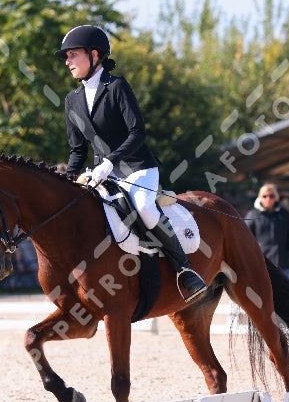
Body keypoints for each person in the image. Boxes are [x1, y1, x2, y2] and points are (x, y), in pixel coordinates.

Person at [56, 25, 207, 302]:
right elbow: (77, 149)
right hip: (101, 174)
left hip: (137, 168)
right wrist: (68, 179)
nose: (67, 62)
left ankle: (184, 269)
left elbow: (137, 133)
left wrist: (110, 162)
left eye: (73, 55)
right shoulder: (72, 100)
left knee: (144, 207)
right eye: (67, 56)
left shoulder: (116, 87)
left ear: (94, 55)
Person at [244, 183, 289, 281]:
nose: (268, 198)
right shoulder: (252, 215)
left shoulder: (285, 215)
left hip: (284, 266)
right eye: (265, 196)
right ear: (260, 197)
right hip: (260, 267)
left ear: (276, 197)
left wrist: (288, 255)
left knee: (288, 296)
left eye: (271, 196)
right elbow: (244, 240)